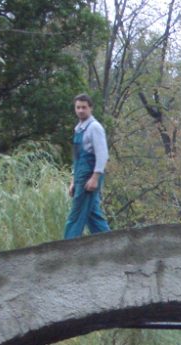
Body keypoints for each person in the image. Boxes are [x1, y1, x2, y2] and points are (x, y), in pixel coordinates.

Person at [63, 93, 111, 239]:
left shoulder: (94, 127)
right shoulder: (78, 129)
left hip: (89, 176)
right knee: (93, 215)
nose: (81, 110)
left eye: (84, 107)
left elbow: (103, 155)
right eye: (78, 107)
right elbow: (77, 158)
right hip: (80, 176)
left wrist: (95, 178)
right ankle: (110, 242)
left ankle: (65, 249)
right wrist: (73, 181)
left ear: (90, 108)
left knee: (76, 215)